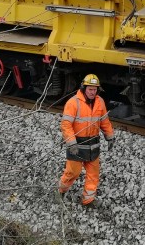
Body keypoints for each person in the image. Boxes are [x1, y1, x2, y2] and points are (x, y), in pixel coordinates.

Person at [57, 73, 115, 207]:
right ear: (84, 88)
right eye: (90, 89)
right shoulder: (73, 103)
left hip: (93, 145)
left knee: (93, 174)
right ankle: (60, 191)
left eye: (95, 90)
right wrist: (71, 143)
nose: (92, 92)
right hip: (77, 144)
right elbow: (66, 125)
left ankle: (88, 200)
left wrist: (110, 136)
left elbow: (104, 121)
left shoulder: (100, 102)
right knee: (72, 172)